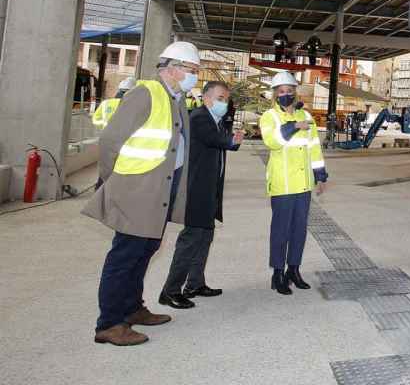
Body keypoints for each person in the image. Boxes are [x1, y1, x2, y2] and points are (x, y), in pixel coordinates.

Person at [82, 41, 200, 346]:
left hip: (161, 188)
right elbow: (111, 141)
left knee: (146, 250)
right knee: (126, 255)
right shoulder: (145, 93)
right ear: (172, 68)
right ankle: (109, 323)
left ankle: (132, 308)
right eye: (192, 70)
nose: (195, 76)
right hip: (138, 188)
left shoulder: (176, 99)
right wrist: (113, 181)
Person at [159, 81, 244, 308]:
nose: (224, 103)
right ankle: (170, 291)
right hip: (196, 190)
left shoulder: (215, 119)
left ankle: (194, 284)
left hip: (208, 190)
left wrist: (230, 137)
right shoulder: (199, 117)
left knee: (205, 237)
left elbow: (222, 142)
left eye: (226, 99)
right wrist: (232, 140)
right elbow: (215, 140)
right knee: (191, 239)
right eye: (220, 98)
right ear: (206, 98)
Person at [259, 71, 328, 295]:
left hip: (304, 183)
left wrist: (320, 175)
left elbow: (314, 147)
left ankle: (294, 270)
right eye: (281, 91)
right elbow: (272, 142)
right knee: (281, 230)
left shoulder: (306, 116)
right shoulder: (269, 117)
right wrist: (294, 126)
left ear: (295, 92)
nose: (286, 94)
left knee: (299, 230)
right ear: (275, 94)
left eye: (289, 91)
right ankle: (277, 273)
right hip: (283, 183)